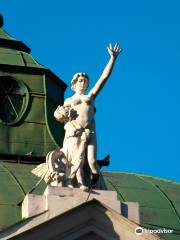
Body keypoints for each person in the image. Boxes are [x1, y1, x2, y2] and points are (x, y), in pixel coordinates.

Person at [54, 43, 121, 190]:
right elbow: (58, 115)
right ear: (74, 84)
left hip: (90, 132)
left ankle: (94, 177)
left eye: (85, 81)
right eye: (80, 81)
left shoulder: (90, 97)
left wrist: (112, 59)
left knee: (91, 161)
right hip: (75, 131)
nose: (83, 83)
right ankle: (78, 183)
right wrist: (64, 115)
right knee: (77, 159)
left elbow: (103, 78)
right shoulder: (69, 100)